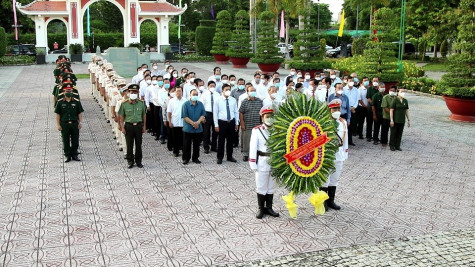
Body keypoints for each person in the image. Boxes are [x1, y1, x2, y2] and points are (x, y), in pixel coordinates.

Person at [249, 106, 279, 219]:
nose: (269, 119)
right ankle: (261, 208)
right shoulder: (257, 130)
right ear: (262, 118)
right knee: (261, 185)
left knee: (272, 185)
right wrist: (253, 163)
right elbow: (253, 147)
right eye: (267, 117)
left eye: (271, 117)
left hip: (274, 161)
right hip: (262, 161)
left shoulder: (278, 129)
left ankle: (269, 207)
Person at [320, 99, 348, 211]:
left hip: (339, 153)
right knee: (325, 179)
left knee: (334, 179)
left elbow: (344, 140)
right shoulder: (324, 122)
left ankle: (331, 201)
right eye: (334, 109)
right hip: (328, 154)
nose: (336, 111)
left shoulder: (343, 122)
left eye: (338, 109)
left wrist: (345, 154)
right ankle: (323, 202)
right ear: (329, 110)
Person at [118, 84, 147, 168]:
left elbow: (144, 115)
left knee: (139, 144)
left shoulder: (141, 103)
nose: (133, 93)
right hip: (128, 126)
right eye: (132, 92)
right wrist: (122, 127)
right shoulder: (124, 104)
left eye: (135, 92)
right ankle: (130, 161)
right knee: (129, 144)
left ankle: (138, 161)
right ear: (128, 92)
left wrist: (144, 126)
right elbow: (121, 117)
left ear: (138, 93)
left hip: (138, 126)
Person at [55, 85, 84, 162]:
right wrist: (58, 125)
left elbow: (79, 113)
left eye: (70, 91)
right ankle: (67, 155)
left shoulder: (76, 102)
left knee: (75, 139)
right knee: (65, 140)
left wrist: (80, 122)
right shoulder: (60, 102)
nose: (69, 93)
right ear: (64, 92)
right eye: (67, 91)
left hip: (74, 123)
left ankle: (74, 154)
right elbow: (58, 114)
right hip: (64, 124)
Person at [213, 84, 239, 164]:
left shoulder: (233, 100)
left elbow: (235, 112)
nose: (228, 91)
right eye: (226, 90)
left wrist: (236, 123)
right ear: (222, 91)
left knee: (230, 140)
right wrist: (216, 125)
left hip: (231, 122)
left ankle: (229, 156)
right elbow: (215, 113)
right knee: (221, 140)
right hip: (222, 122)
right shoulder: (218, 100)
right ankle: (220, 157)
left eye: (229, 90)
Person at [181, 89, 206, 164]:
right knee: (186, 144)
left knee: (196, 145)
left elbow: (203, 114)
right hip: (188, 128)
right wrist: (193, 123)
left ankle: (195, 158)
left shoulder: (200, 104)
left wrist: (198, 122)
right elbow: (184, 116)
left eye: (196, 94)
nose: (195, 96)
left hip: (198, 128)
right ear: (190, 95)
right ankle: (186, 158)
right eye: (193, 94)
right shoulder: (185, 104)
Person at [239, 86, 263, 162]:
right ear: (247, 92)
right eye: (251, 90)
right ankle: (246, 154)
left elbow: (262, 113)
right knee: (247, 139)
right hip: (247, 124)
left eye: (254, 90)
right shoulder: (244, 101)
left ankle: (255, 154)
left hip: (257, 124)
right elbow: (241, 112)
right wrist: (242, 123)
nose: (253, 92)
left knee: (256, 140)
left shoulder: (259, 101)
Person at [200, 81, 220, 153]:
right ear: (208, 86)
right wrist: (202, 116)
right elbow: (201, 106)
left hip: (215, 114)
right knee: (206, 131)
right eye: (211, 86)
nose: (212, 87)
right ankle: (206, 147)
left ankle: (214, 146)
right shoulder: (204, 94)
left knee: (215, 131)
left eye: (214, 86)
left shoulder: (217, 94)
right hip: (207, 113)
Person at [167, 87, 187, 157]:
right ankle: (176, 151)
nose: (179, 93)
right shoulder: (171, 101)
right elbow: (169, 112)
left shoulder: (185, 101)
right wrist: (169, 121)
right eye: (177, 91)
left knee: (183, 138)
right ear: (175, 92)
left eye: (180, 91)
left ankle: (184, 150)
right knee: (175, 138)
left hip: (183, 123)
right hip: (175, 122)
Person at [343, 77, 359, 146]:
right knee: (345, 125)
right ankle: (344, 141)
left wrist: (354, 107)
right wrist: (349, 108)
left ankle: (350, 140)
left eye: (352, 81)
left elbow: (357, 99)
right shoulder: (343, 89)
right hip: (346, 110)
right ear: (347, 81)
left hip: (353, 110)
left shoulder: (355, 89)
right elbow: (343, 100)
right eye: (350, 80)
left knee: (352, 125)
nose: (351, 82)